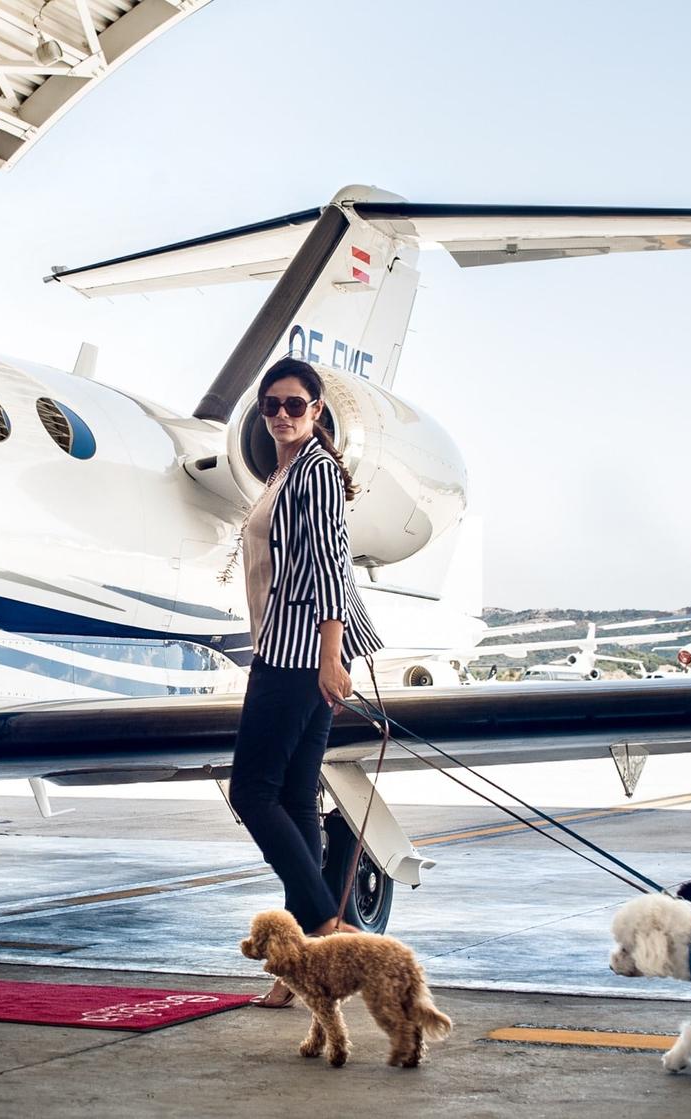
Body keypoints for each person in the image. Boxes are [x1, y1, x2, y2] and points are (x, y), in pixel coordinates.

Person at [229, 357, 384, 1007]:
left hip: (299, 652)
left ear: (317, 410)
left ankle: (323, 925)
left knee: (251, 790)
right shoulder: (283, 471)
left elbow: (328, 564)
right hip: (286, 644)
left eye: (295, 404)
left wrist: (331, 656)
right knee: (293, 799)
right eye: (271, 405)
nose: (282, 415)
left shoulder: (314, 471)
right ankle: (301, 968)